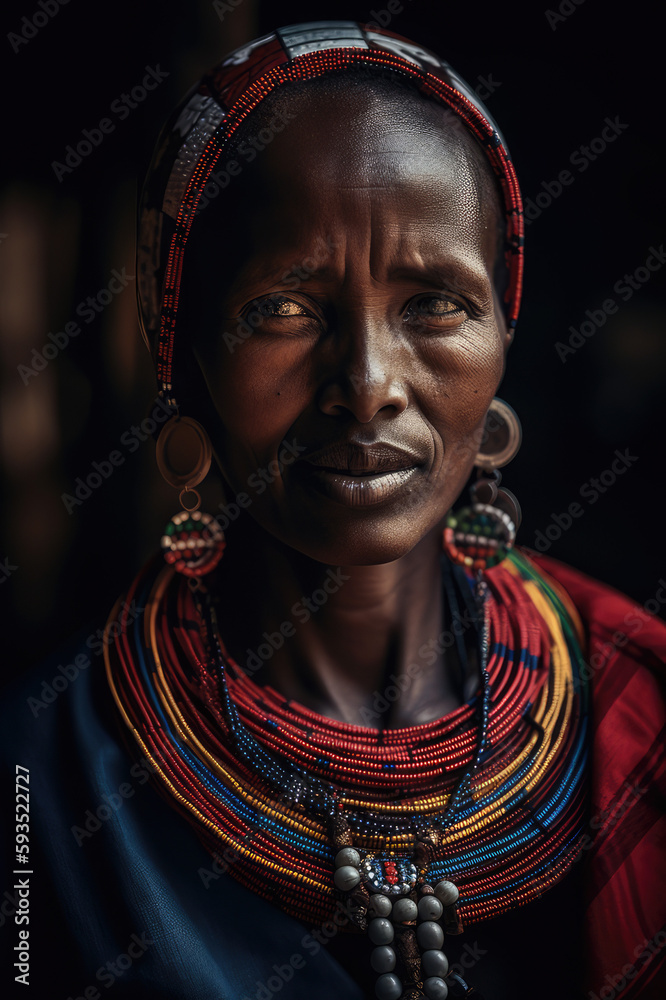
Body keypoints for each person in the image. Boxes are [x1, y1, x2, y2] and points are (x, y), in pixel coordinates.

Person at [2, 20, 665, 1000]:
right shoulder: (37, 781)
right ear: (183, 358)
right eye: (283, 306)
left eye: (435, 302)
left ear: (504, 340)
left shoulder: (639, 708)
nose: (366, 384)